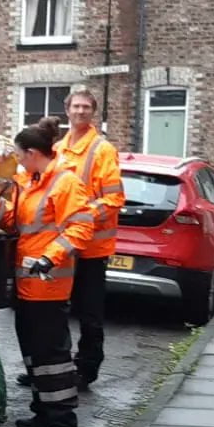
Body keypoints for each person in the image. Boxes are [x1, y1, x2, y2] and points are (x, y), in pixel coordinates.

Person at [0, 120, 89, 427]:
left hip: (49, 285)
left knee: (52, 357)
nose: (16, 161)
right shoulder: (30, 182)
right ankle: (44, 412)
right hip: (28, 285)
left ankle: (62, 422)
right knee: (34, 353)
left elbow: (80, 229)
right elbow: (16, 222)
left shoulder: (65, 182)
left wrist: (49, 257)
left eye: (18, 156)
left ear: (32, 153)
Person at [56, 88, 124, 390]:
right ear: (67, 110)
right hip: (63, 245)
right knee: (57, 309)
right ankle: (57, 367)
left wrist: (79, 216)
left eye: (86, 107)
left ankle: (86, 369)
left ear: (92, 112)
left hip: (92, 247)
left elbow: (114, 198)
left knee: (90, 313)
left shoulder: (102, 150)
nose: (80, 111)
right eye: (76, 106)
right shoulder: (58, 148)